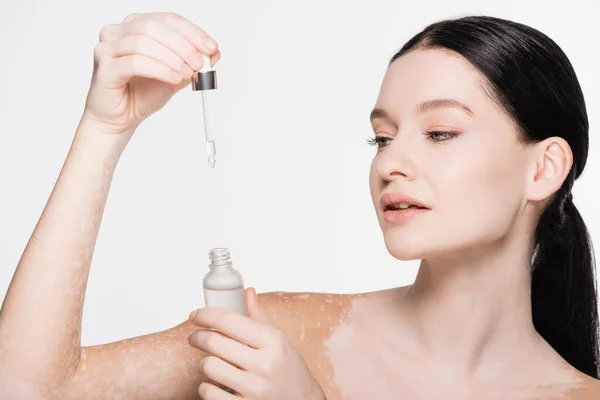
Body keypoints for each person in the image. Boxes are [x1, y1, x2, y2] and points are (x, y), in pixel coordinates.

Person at [1, 11, 599, 400]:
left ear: (543, 168)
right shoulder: (286, 334)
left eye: (440, 133)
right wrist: (105, 129)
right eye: (382, 137)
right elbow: (28, 387)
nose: (390, 163)